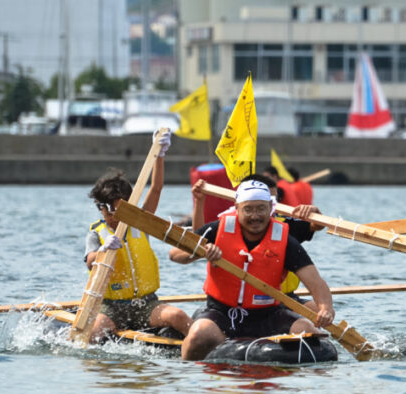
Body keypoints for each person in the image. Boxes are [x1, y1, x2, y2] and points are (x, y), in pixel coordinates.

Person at [169, 179, 336, 360]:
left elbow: (315, 282)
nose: (255, 216)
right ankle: (188, 374)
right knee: (198, 334)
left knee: (306, 329)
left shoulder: (285, 240)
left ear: (271, 207)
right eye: (248, 209)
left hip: (268, 315)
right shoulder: (217, 230)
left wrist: (326, 308)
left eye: (261, 209)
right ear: (237, 208)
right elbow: (175, 253)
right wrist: (200, 252)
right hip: (222, 312)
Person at [84, 131, 192, 342]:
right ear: (102, 209)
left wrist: (159, 155)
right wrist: (104, 251)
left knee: (177, 315)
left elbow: (157, 189)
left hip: (146, 304)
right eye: (113, 211)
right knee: (95, 331)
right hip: (112, 307)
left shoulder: (139, 224)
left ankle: (206, 342)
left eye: (125, 208)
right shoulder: (97, 233)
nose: (118, 216)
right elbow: (90, 261)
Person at [189, 174, 326, 311]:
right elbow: (196, 241)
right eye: (252, 206)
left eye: (271, 201)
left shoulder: (286, 226)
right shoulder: (227, 225)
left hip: (281, 299)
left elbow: (317, 225)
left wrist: (315, 212)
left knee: (316, 310)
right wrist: (199, 203)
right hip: (232, 302)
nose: (256, 215)